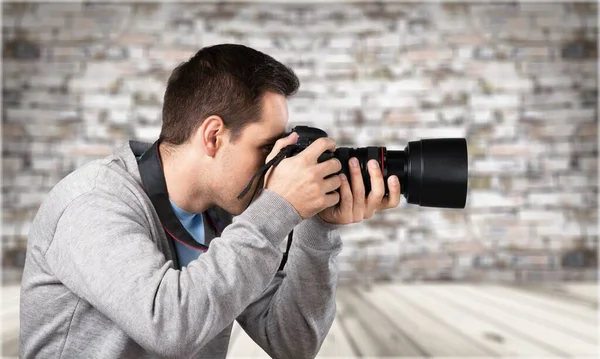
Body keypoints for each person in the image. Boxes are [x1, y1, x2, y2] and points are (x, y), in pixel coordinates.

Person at [19, 44, 401, 359]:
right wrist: (279, 207)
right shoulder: (93, 203)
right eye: (266, 146)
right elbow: (170, 326)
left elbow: (292, 344)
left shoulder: (229, 214)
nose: (275, 162)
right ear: (214, 135)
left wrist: (319, 228)